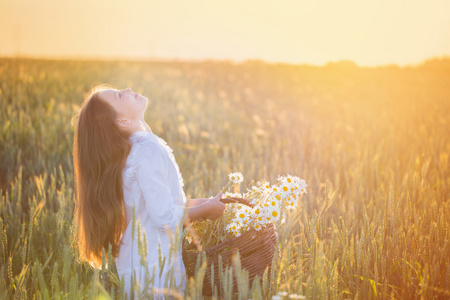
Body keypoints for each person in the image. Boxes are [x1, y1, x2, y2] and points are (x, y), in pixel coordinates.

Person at [72, 84, 226, 299]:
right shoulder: (146, 150)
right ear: (123, 121)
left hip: (141, 264)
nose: (126, 89)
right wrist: (205, 210)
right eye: (118, 95)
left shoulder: (133, 151)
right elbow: (163, 216)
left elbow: (158, 203)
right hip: (155, 269)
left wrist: (204, 203)